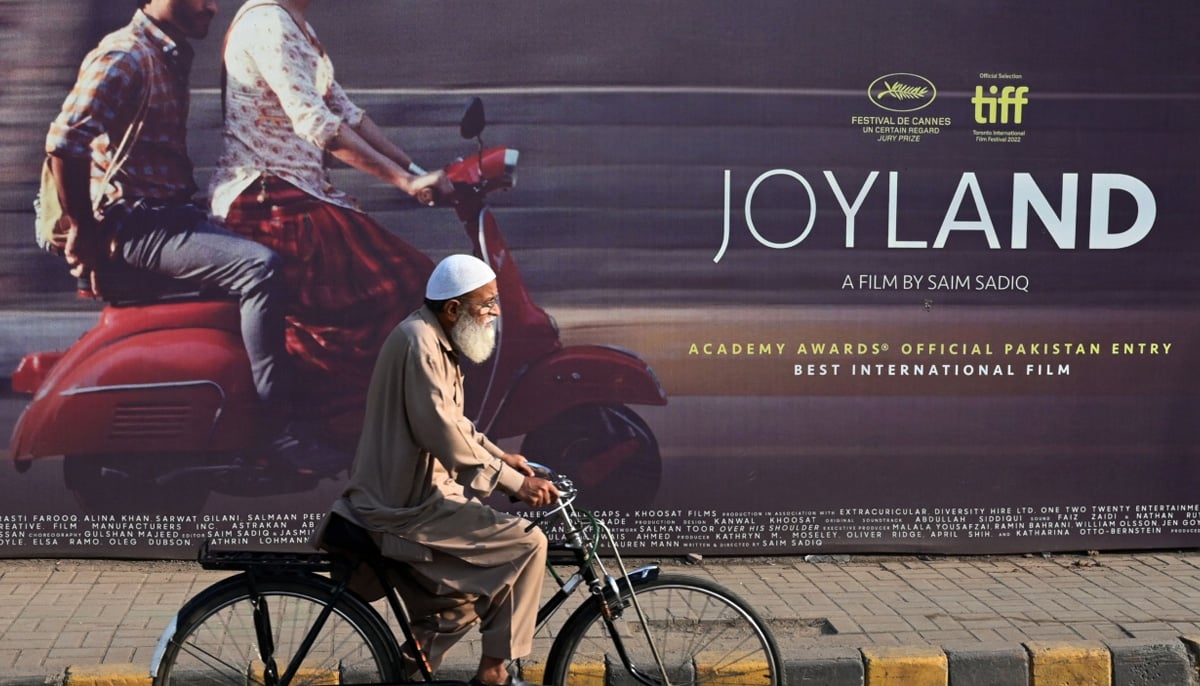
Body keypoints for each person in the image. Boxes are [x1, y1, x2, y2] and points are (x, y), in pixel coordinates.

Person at [45, 0, 329, 470]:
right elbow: (65, 142)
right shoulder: (126, 54)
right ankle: (276, 431)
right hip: (137, 226)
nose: (211, 7)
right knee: (260, 269)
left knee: (290, 245)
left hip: (168, 217)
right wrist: (85, 230)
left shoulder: (167, 55)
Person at [209, 0, 451, 451]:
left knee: (413, 283)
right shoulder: (268, 23)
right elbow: (317, 124)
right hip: (266, 199)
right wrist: (403, 181)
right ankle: (332, 420)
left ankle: (370, 420)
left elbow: (347, 113)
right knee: (400, 283)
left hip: (296, 192)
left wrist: (418, 171)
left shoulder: (298, 23)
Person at [316, 255, 559, 686]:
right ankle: (495, 672)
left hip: (420, 497)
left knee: (458, 604)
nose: (495, 313)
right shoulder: (419, 343)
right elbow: (443, 433)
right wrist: (516, 485)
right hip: (407, 507)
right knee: (529, 542)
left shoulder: (433, 338)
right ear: (453, 308)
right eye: (486, 304)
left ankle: (406, 675)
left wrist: (502, 457)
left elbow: (455, 424)